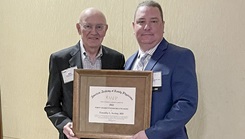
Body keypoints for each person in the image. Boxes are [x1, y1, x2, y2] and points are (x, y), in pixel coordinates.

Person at [44, 7, 125, 139]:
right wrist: (65, 124)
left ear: (106, 29)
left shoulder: (116, 59)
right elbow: (52, 106)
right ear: (78, 28)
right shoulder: (60, 60)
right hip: (74, 136)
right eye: (88, 26)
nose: (94, 32)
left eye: (99, 27)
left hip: (106, 135)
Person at [124, 1, 198, 139]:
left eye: (153, 21)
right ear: (133, 27)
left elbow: (186, 104)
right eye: (141, 21)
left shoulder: (180, 56)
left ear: (163, 25)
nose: (147, 27)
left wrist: (150, 134)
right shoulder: (128, 63)